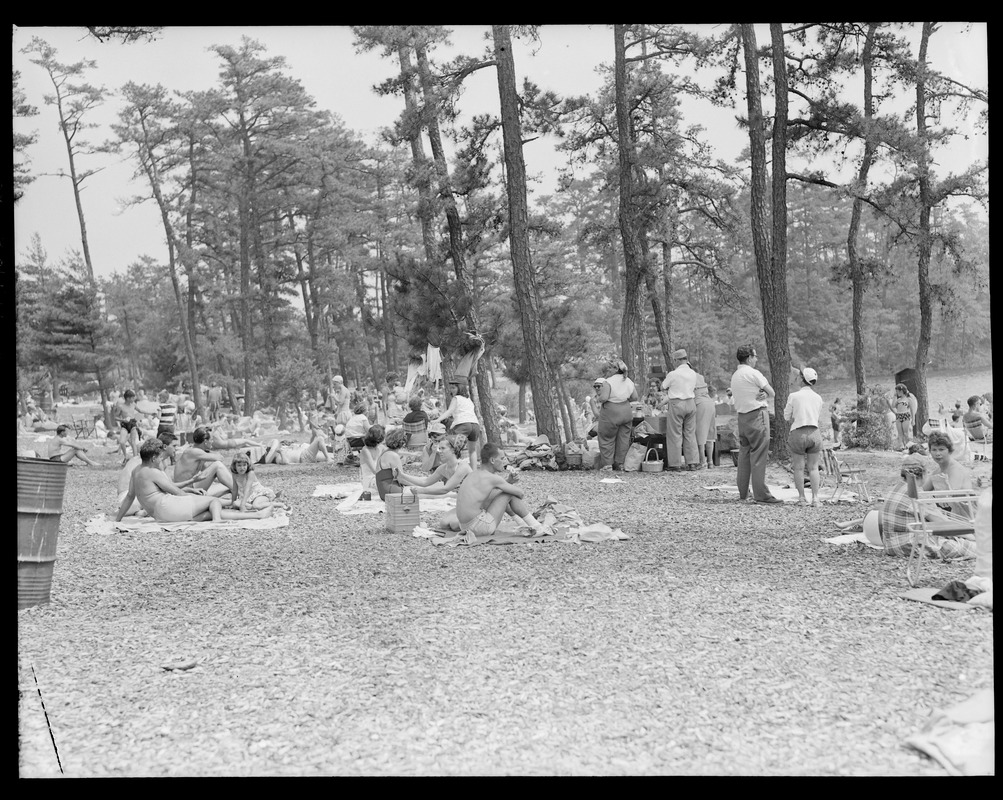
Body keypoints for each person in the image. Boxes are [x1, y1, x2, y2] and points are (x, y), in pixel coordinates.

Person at [116, 438, 273, 524]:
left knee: (210, 512)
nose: (162, 459)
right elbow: (175, 492)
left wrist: (118, 519)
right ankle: (219, 521)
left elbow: (130, 496)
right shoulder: (153, 472)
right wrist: (196, 498)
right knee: (213, 502)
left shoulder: (137, 470)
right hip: (167, 508)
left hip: (160, 515)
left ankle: (257, 515)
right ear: (153, 458)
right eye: (160, 457)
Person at [455, 442, 544, 538]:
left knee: (501, 493)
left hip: (464, 527)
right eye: (502, 458)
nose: (505, 461)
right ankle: (536, 526)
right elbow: (520, 494)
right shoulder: (492, 478)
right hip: (479, 527)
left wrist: (508, 482)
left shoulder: (474, 474)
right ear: (492, 460)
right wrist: (508, 485)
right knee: (509, 494)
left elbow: (491, 495)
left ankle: (522, 523)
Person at [729, 344, 780, 504]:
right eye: (755, 356)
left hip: (742, 418)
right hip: (757, 416)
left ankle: (743, 492)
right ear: (749, 357)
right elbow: (772, 392)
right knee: (759, 455)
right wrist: (764, 393)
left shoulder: (735, 376)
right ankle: (761, 494)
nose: (757, 359)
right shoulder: (753, 373)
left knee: (744, 455)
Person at [396, 434, 473, 530]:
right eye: (439, 448)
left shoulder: (463, 467)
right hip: (463, 504)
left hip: (475, 503)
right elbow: (425, 481)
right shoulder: (443, 468)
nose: (439, 451)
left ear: (453, 450)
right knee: (444, 524)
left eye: (443, 448)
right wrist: (402, 475)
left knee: (454, 524)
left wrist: (421, 491)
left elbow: (445, 489)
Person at [783, 367, 825, 506]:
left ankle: (801, 498)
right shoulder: (818, 398)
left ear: (801, 378)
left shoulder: (794, 396)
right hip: (814, 433)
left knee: (799, 468)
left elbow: (786, 416)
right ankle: (816, 498)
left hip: (798, 432)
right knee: (813, 468)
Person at [117, 432, 184, 516]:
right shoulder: (154, 463)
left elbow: (171, 486)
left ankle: (140, 512)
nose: (176, 449)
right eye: (174, 446)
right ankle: (146, 511)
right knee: (163, 495)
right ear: (165, 447)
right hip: (130, 500)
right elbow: (170, 488)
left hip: (124, 501)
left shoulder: (142, 459)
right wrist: (192, 482)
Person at [596, 358, 638, 471]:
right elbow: (635, 397)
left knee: (606, 437)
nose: (608, 369)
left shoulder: (608, 382)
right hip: (626, 411)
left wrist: (598, 399)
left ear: (616, 369)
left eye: (610, 367)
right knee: (623, 439)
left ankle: (608, 464)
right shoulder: (628, 381)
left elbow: (604, 397)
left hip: (611, 412)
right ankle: (620, 463)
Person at [923, 431, 976, 520]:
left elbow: (951, 498)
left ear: (949, 451)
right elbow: (923, 490)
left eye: (941, 449)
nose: (937, 453)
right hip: (949, 515)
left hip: (964, 518)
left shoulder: (956, 470)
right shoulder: (938, 471)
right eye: (934, 450)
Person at [661, 349, 699, 470]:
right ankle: (692, 462)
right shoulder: (693, 373)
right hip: (691, 403)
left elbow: (663, 386)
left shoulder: (673, 374)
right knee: (690, 434)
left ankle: (675, 464)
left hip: (677, 403)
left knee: (675, 434)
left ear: (677, 360)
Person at [172, 426, 236, 499]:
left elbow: (210, 474)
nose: (213, 441)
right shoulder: (193, 451)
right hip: (186, 490)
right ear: (205, 441)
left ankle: (238, 490)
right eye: (211, 439)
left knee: (228, 487)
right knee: (217, 465)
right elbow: (220, 458)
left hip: (192, 487)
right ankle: (241, 492)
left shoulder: (199, 454)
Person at [437, 380, 482, 469]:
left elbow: (450, 411)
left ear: (460, 388)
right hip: (475, 425)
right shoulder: (468, 400)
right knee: (472, 451)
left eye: (453, 388)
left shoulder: (456, 398)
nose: (451, 390)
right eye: (450, 388)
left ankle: (453, 470)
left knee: (450, 447)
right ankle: (474, 473)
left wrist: (438, 420)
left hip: (463, 424)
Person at [113, 389, 142, 462]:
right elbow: (115, 417)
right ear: (128, 398)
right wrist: (123, 420)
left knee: (133, 442)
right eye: (132, 398)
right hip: (125, 424)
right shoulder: (121, 406)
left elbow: (140, 411)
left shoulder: (133, 404)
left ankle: (135, 458)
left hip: (132, 423)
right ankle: (125, 457)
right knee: (122, 442)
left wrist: (151, 412)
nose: (133, 399)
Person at [695, 378, 718, 469]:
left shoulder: (692, 382)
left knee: (700, 433)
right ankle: (710, 462)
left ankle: (702, 461)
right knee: (709, 433)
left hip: (700, 404)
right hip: (710, 404)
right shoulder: (702, 384)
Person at [359, 424, 387, 492]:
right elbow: (374, 470)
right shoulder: (365, 450)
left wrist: (412, 454)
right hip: (370, 480)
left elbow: (393, 451)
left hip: (378, 477)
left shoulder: (380, 447)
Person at [892, 383, 913, 450]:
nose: (897, 393)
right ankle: (901, 446)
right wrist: (894, 396)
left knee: (906, 433)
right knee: (900, 433)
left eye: (897, 391)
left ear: (901, 391)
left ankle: (908, 445)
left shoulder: (908, 399)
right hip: (898, 416)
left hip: (905, 415)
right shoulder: (898, 400)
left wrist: (913, 419)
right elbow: (893, 406)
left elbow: (912, 410)